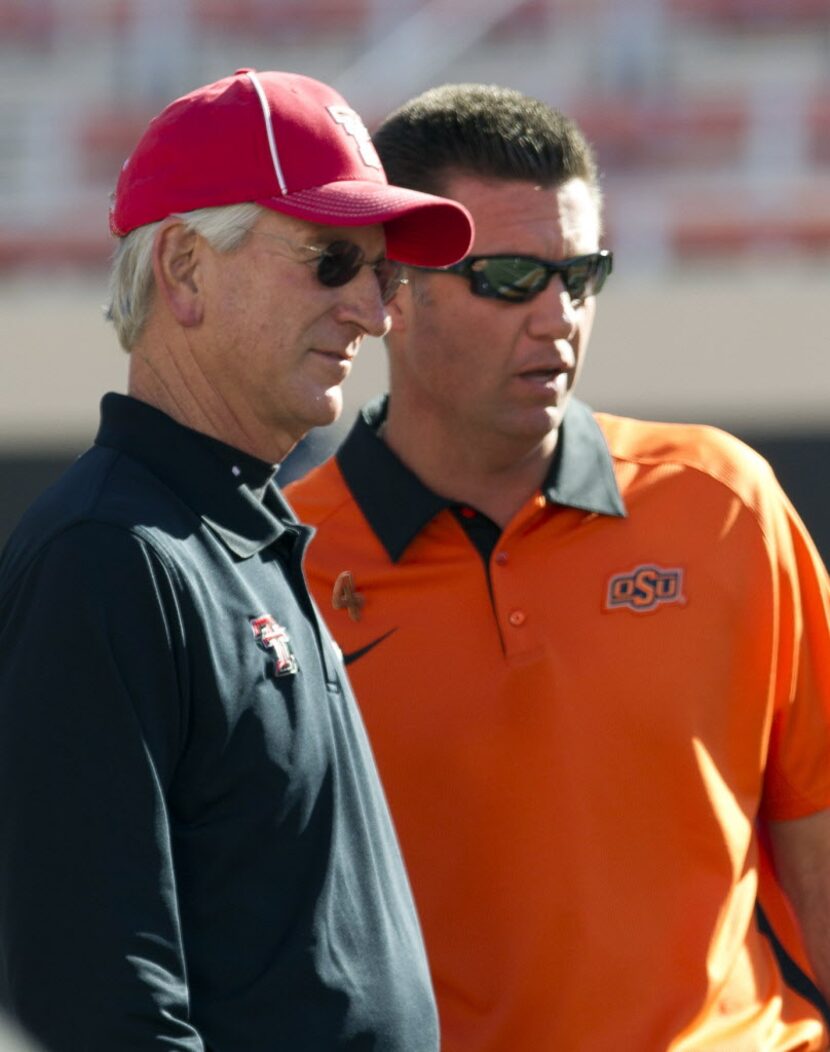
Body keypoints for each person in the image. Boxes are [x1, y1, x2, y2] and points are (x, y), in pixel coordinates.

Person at [287, 83, 830, 1051]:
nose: (558, 316)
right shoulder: (278, 566)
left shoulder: (724, 499)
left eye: (580, 275)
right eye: (507, 277)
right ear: (389, 292)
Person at [0, 69, 473, 1052]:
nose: (374, 311)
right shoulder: (109, 555)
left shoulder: (224, 533)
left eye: (384, 273)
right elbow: (95, 1001)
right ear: (182, 267)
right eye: (334, 259)